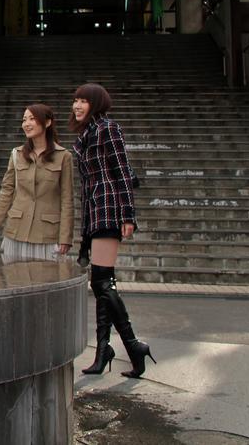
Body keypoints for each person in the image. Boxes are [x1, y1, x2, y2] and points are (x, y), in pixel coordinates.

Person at [71, 83, 156, 379]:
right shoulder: (84, 136)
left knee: (103, 283)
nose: (77, 106)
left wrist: (128, 214)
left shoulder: (108, 128)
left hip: (109, 209)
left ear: (96, 103)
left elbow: (122, 171)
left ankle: (131, 346)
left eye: (83, 101)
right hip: (94, 212)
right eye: (76, 101)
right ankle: (106, 349)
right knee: (101, 283)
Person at [0, 103, 74, 260]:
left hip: (46, 235)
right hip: (16, 232)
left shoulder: (64, 156)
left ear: (47, 122)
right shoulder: (16, 155)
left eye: (32, 119)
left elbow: (67, 200)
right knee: (14, 280)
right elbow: (6, 192)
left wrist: (66, 237)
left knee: (45, 281)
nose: (26, 124)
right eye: (24, 120)